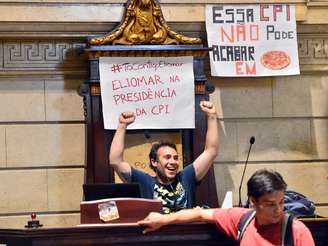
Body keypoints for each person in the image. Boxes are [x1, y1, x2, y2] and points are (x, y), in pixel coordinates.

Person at [138, 169, 315, 246]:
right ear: (253, 201)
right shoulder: (243, 219)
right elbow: (201, 214)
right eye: (270, 204)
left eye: (281, 202)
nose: (278, 210)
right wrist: (163, 219)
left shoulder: (296, 231)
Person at [109, 101, 219, 213]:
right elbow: (115, 161)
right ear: (154, 162)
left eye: (175, 158)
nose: (173, 162)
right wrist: (122, 126)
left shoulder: (186, 177)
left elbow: (211, 151)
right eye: (167, 157)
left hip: (185, 230)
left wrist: (212, 116)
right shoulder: (145, 181)